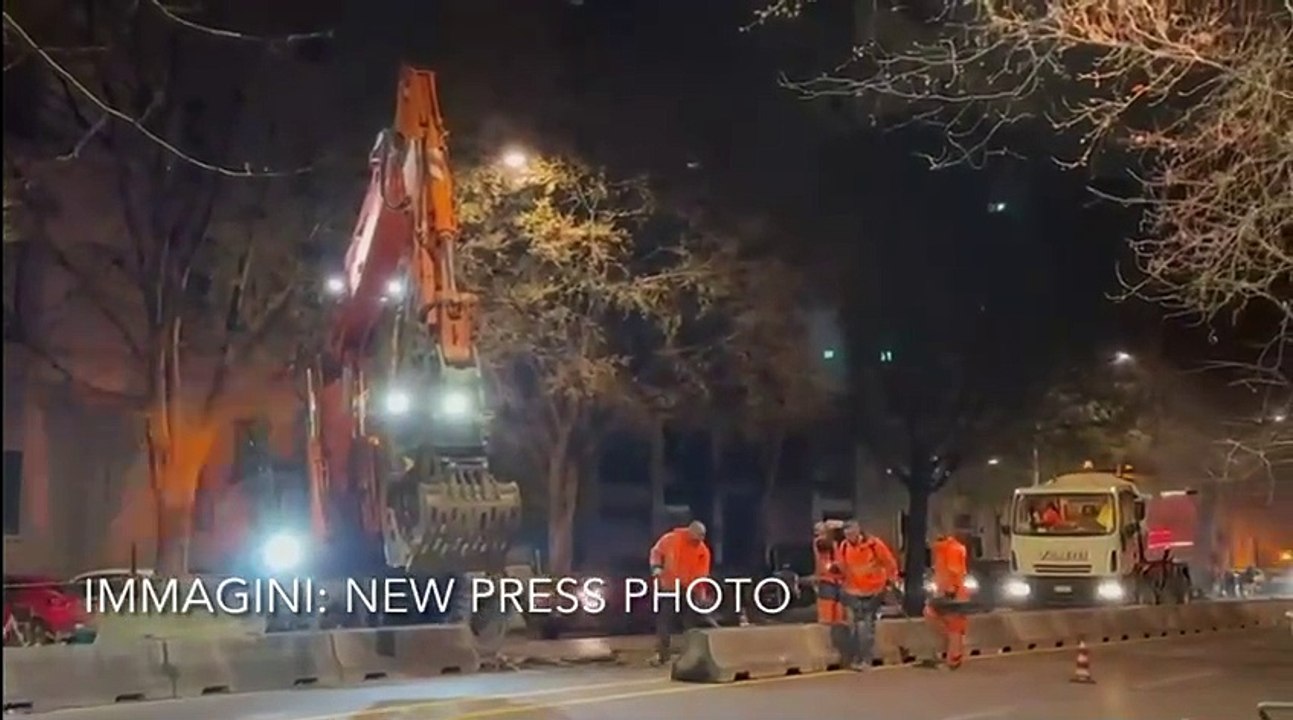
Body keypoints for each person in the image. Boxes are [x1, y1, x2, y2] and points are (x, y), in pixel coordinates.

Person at [647, 520, 715, 666]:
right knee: (665, 621)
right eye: (699, 535)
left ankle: (690, 656)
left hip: (689, 590)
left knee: (690, 624)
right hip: (670, 587)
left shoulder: (703, 551)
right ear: (691, 532)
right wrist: (656, 568)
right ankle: (662, 655)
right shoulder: (670, 539)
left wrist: (700, 593)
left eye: (703, 536)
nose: (701, 539)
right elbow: (656, 552)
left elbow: (702, 575)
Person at [833, 520, 898, 671]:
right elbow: (842, 567)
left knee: (866, 625)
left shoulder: (874, 545)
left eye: (852, 533)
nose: (850, 537)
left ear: (859, 531)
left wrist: (890, 581)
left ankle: (866, 659)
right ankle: (858, 657)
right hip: (853, 591)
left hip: (873, 591)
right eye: (847, 534)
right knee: (855, 626)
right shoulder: (843, 547)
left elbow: (889, 563)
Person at [921, 530, 970, 670]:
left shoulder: (949, 550)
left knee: (952, 626)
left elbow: (954, 572)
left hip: (952, 594)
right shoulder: (947, 549)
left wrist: (950, 591)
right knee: (952, 625)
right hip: (952, 593)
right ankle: (953, 656)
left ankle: (953, 658)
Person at [813, 521, 848, 644]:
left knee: (840, 614)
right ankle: (824, 642)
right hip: (827, 580)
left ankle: (840, 640)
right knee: (827, 615)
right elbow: (824, 545)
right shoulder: (820, 542)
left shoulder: (840, 543)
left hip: (839, 580)